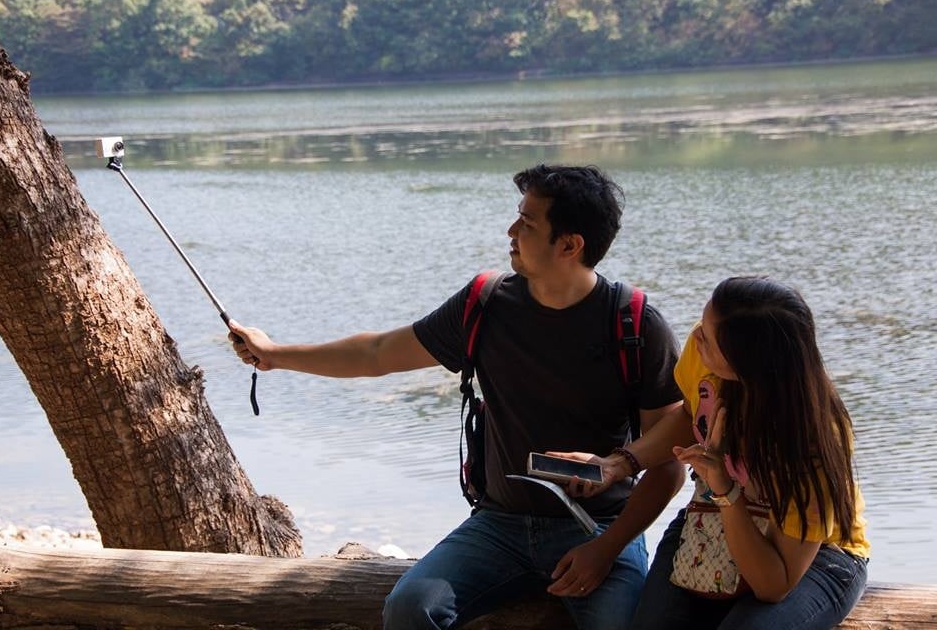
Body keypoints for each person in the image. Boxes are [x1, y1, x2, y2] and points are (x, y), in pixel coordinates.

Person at [228, 164, 686, 630]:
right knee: (409, 609)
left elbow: (670, 460)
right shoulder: (485, 304)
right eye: (517, 216)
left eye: (527, 223)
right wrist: (275, 354)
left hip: (600, 527)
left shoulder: (633, 323)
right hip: (499, 526)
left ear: (569, 245)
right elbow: (377, 352)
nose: (511, 231)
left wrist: (605, 550)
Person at [553, 276, 870, 629]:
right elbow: (691, 415)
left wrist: (726, 489)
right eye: (703, 324)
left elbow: (773, 586)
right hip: (710, 518)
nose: (696, 336)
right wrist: (618, 464)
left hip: (817, 556)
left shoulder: (815, 442)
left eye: (708, 336)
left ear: (747, 364)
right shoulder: (706, 356)